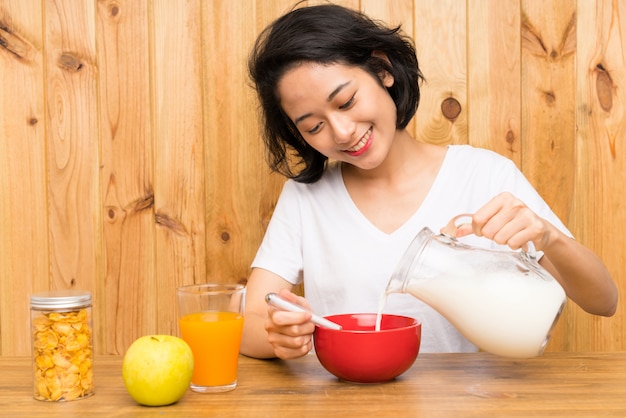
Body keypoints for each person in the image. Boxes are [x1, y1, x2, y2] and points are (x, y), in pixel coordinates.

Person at [240, 3, 618, 360]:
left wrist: (548, 236)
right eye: (314, 126)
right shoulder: (307, 199)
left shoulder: (483, 175)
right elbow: (248, 321)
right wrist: (279, 335)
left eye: (347, 101)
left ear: (382, 69)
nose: (341, 132)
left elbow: (603, 301)